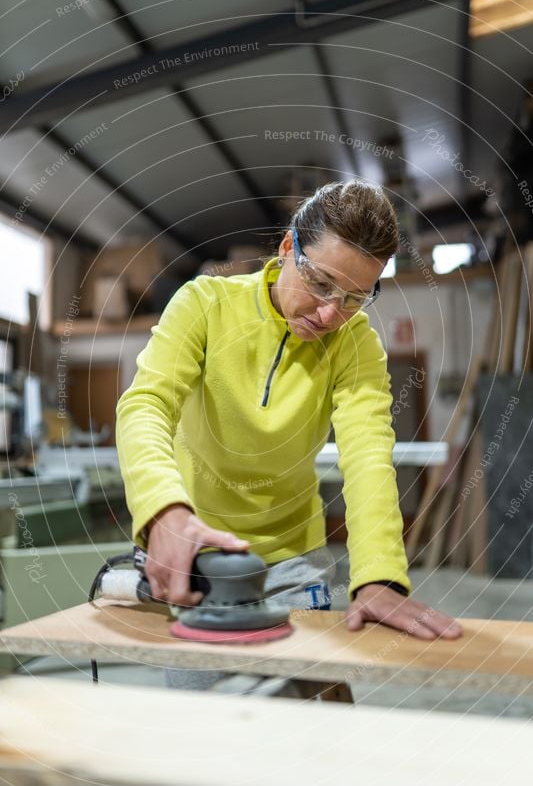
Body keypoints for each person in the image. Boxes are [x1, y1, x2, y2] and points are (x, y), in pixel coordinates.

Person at [116, 179, 462, 642]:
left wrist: (379, 576)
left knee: (307, 699)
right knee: (199, 705)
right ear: (286, 248)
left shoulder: (356, 344)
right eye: (320, 284)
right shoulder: (204, 306)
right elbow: (146, 405)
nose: (328, 315)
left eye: (355, 299)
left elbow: (367, 457)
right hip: (197, 550)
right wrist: (164, 512)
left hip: (295, 556)